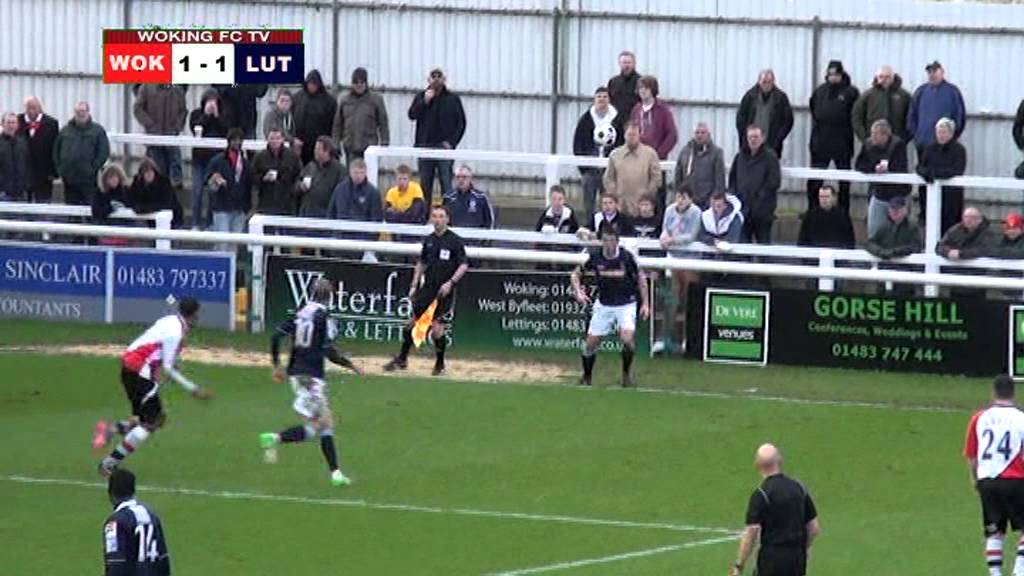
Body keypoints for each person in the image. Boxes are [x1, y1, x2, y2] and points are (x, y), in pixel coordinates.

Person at [262, 278, 363, 487]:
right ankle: (275, 439)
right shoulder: (323, 317)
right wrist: (350, 365)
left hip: (296, 375)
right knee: (324, 424)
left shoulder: (300, 313)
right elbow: (328, 350)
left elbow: (275, 337)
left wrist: (276, 365)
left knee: (322, 425)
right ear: (329, 297)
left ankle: (335, 473)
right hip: (311, 377)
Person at [93, 298, 212, 475]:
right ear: (195, 314)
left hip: (130, 366)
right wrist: (193, 389)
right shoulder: (176, 332)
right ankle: (108, 464)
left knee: (152, 418)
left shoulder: (169, 321)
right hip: (140, 372)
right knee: (152, 421)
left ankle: (112, 430)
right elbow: (168, 368)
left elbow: (156, 346)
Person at [384, 205, 469, 376]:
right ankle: (402, 359)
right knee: (410, 324)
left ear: (447, 219)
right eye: (435, 216)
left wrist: (450, 283)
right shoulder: (429, 240)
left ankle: (440, 364)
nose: (437, 220)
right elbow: (421, 263)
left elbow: (464, 265)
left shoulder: (455, 241)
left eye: (441, 216)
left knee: (437, 328)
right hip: (428, 288)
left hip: (444, 291)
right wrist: (414, 284)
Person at [571, 222, 650, 388]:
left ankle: (626, 375)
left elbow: (642, 279)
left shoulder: (626, 258)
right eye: (605, 240)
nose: (608, 244)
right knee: (590, 343)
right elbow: (575, 275)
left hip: (626, 304)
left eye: (612, 240)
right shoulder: (595, 257)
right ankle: (587, 377)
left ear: (617, 241)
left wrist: (646, 304)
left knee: (627, 339)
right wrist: (578, 292)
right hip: (604, 304)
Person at [963, 375, 1024, 576]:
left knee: (994, 530)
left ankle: (996, 574)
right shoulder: (1021, 418)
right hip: (1016, 479)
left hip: (987, 481)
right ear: (1013, 393)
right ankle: (1019, 571)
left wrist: (975, 480)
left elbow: (972, 455)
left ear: (993, 392)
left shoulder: (979, 418)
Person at [730, 444, 820, 576]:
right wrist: (801, 549)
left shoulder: (762, 494)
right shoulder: (799, 488)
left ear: (757, 464)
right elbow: (814, 528)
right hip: (797, 560)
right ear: (780, 460)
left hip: (771, 561)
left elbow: (751, 533)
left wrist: (739, 565)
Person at [408, 68, 467, 206]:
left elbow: (461, 123)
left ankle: (448, 216)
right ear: (428, 79)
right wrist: (424, 102)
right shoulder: (421, 96)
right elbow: (412, 115)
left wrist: (452, 143)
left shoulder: (453, 99)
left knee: (446, 184)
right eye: (433, 76)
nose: (436, 79)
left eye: (439, 76)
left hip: (444, 148)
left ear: (444, 79)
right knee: (424, 185)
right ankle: (423, 217)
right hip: (424, 147)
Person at [807, 60, 859, 210]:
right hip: (820, 142)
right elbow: (813, 109)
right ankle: (813, 209)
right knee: (815, 179)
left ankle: (843, 210)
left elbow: (855, 115)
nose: (833, 77)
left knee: (844, 180)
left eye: (836, 74)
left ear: (842, 75)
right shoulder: (820, 91)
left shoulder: (851, 92)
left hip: (842, 142)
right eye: (830, 74)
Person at [103, 469, 170, 576]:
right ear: (133, 490)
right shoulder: (152, 516)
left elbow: (116, 562)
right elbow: (163, 558)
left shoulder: (115, 522)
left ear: (110, 493)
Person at [659, 185, 702, 352]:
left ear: (690, 199)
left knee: (688, 301)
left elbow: (691, 236)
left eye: (684, 197)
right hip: (672, 259)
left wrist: (672, 240)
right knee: (671, 300)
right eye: (678, 197)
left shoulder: (696, 212)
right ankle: (664, 339)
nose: (680, 201)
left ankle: (688, 339)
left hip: (690, 261)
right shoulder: (670, 210)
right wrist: (664, 238)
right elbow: (665, 229)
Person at [855, 119, 910, 238]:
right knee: (874, 232)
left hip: (898, 194)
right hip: (879, 194)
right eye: (872, 133)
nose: (872, 137)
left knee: (899, 234)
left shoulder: (898, 145)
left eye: (876, 134)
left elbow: (901, 167)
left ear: (885, 135)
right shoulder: (868, 144)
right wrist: (874, 168)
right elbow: (859, 165)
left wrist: (888, 168)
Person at [729, 125, 781, 244]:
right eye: (750, 137)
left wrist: (758, 199)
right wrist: (736, 198)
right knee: (742, 248)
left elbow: (774, 182)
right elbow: (732, 179)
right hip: (743, 210)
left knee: (763, 247)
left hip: (763, 211)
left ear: (762, 138)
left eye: (756, 137)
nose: (753, 140)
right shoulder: (740, 157)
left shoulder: (771, 157)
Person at [573, 86, 619, 218]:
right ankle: (590, 224)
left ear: (609, 99)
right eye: (599, 96)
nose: (602, 99)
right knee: (589, 201)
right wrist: (584, 168)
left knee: (609, 201)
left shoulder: (616, 119)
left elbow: (621, 142)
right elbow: (578, 143)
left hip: (609, 170)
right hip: (590, 170)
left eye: (605, 97)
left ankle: (608, 225)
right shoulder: (586, 119)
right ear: (594, 99)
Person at [916, 117, 968, 234]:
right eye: (939, 132)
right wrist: (926, 173)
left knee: (949, 228)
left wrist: (934, 174)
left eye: (944, 132)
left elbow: (957, 170)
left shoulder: (959, 150)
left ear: (951, 133)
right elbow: (920, 167)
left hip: (951, 197)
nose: (941, 135)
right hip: (929, 196)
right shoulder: (929, 148)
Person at [54, 101, 109, 205]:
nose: (81, 114)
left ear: (88, 112)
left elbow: (103, 152)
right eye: (78, 111)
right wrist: (60, 169)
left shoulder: (97, 131)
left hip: (88, 179)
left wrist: (92, 168)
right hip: (69, 179)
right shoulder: (65, 130)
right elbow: (56, 150)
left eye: (83, 111)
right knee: (71, 209)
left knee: (88, 208)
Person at [907, 61, 966, 158]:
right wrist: (916, 136)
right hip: (923, 144)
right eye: (929, 72)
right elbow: (912, 116)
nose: (932, 75)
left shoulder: (952, 92)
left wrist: (952, 138)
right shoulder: (920, 91)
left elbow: (959, 117)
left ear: (942, 72)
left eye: (934, 71)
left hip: (945, 147)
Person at [205, 128, 252, 251]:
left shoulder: (245, 162)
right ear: (228, 141)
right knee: (222, 243)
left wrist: (247, 207)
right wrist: (215, 180)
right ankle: (219, 269)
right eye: (234, 140)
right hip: (222, 207)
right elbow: (208, 182)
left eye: (239, 140)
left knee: (234, 245)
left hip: (239, 208)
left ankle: (231, 270)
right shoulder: (217, 160)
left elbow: (248, 185)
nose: (237, 143)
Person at [187, 89, 228, 229]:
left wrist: (216, 116)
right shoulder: (196, 114)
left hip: (215, 161)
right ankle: (195, 223)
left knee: (213, 193)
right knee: (197, 192)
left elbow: (226, 131)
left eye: (214, 101)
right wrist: (206, 115)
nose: (211, 104)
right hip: (199, 160)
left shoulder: (223, 115)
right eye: (209, 101)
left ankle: (209, 223)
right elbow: (195, 128)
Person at [133, 84, 187, 189]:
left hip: (172, 136)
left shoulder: (177, 89)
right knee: (158, 169)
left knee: (175, 166)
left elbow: (183, 111)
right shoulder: (146, 87)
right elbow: (138, 108)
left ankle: (175, 192)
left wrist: (177, 128)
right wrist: (149, 125)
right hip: (154, 137)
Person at [603, 121, 660, 216]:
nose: (632, 137)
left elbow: (656, 178)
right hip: (621, 206)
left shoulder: (650, 154)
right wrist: (615, 196)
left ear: (639, 135)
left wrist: (647, 198)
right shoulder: (615, 155)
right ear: (624, 135)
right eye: (629, 134)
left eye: (634, 134)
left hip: (642, 207)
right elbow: (608, 178)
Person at [333, 67, 390, 162]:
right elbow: (337, 125)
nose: (359, 85)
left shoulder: (376, 100)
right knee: (352, 175)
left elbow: (383, 123)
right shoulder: (344, 100)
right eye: (356, 82)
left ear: (366, 83)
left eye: (362, 82)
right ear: (352, 84)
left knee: (370, 175)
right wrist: (336, 144)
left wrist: (385, 142)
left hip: (369, 148)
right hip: (350, 147)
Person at [735, 69, 793, 157]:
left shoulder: (781, 98)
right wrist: (745, 137)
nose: (766, 85)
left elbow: (788, 121)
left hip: (772, 145)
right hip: (750, 144)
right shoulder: (749, 96)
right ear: (759, 81)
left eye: (769, 82)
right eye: (764, 82)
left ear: (773, 82)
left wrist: (778, 138)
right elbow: (740, 119)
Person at [852, 65, 912, 146]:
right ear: (876, 78)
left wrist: (904, 139)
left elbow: (912, 118)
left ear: (893, 77)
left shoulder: (904, 96)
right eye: (881, 77)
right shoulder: (868, 95)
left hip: (896, 144)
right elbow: (856, 117)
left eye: (887, 77)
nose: (884, 80)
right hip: (872, 144)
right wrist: (865, 138)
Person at [16, 96, 60, 203]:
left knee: (43, 203)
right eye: (28, 108)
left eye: (34, 107)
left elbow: (55, 148)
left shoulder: (51, 123)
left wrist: (54, 172)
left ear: (40, 108)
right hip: (23, 173)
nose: (31, 111)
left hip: (44, 173)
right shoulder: (17, 121)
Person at [673, 122, 726, 209]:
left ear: (708, 135)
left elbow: (720, 180)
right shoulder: (685, 151)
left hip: (707, 202)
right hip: (687, 200)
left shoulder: (716, 153)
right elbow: (678, 175)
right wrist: (679, 195)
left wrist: (714, 199)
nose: (699, 135)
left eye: (703, 133)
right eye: (697, 132)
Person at [252, 128, 303, 216]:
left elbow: (298, 174)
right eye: (272, 138)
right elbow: (252, 177)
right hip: (266, 202)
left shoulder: (292, 156)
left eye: (277, 138)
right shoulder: (260, 157)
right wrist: (263, 178)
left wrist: (294, 190)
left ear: (282, 139)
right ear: (267, 139)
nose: (274, 141)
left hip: (287, 203)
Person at [292, 70, 337, 166]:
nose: (311, 86)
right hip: (300, 144)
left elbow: (333, 124)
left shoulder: (329, 101)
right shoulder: (297, 98)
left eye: (314, 84)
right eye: (309, 83)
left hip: (319, 144)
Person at [326, 159, 384, 232]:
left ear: (366, 173)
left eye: (361, 173)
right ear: (350, 172)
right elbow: (331, 212)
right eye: (355, 172)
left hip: (362, 238)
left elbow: (376, 219)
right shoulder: (340, 189)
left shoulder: (372, 192)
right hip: (341, 236)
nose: (358, 176)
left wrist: (369, 238)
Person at [630, 75, 678, 161]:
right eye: (640, 88)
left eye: (646, 88)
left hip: (656, 160)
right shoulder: (636, 110)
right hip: (637, 159)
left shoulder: (663, 109)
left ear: (653, 89)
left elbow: (672, 135)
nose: (643, 90)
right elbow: (631, 133)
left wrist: (659, 154)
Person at [296, 136, 345, 218]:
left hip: (326, 216)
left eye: (318, 149)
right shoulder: (310, 166)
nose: (315, 151)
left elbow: (341, 194)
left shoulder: (339, 170)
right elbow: (296, 184)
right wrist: (300, 186)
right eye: (315, 149)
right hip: (307, 215)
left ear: (327, 151)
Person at [129, 158, 183, 227]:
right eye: (146, 172)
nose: (149, 174)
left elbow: (166, 203)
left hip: (172, 217)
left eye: (151, 171)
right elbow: (132, 199)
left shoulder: (164, 182)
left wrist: (146, 208)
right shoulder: (137, 183)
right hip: (149, 216)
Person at [797, 184, 855, 249]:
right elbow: (802, 239)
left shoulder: (842, 215)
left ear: (833, 197)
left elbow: (849, 240)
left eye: (827, 196)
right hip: (814, 254)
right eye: (821, 196)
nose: (824, 199)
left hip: (836, 254)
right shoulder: (810, 215)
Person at [865, 195, 922, 260]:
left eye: (898, 209)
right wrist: (880, 252)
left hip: (906, 266)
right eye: (892, 208)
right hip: (885, 265)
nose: (894, 211)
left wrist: (895, 252)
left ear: (905, 210)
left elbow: (916, 247)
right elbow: (870, 243)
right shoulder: (884, 227)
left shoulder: (912, 227)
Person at [443, 165, 494, 229]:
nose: (461, 180)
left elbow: (490, 220)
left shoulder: (481, 197)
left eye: (464, 177)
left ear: (470, 178)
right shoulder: (448, 197)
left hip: (475, 236)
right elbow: (442, 219)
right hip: (454, 236)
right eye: (458, 177)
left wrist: (486, 237)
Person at [0, 112, 30, 200]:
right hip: (3, 191)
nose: (11, 125)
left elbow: (27, 164)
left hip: (21, 192)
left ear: (17, 125)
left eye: (13, 122)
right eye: (8, 122)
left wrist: (27, 184)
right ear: (2, 124)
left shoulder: (22, 142)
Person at [607, 51, 640, 125]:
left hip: (634, 124)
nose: (627, 65)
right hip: (616, 122)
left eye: (629, 62)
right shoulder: (613, 82)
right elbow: (609, 102)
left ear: (634, 64)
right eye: (624, 62)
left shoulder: (641, 82)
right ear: (619, 64)